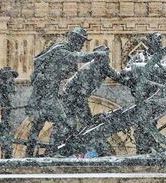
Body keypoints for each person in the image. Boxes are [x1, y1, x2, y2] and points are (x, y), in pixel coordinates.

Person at [26, 27, 108, 156]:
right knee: (62, 121)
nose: (81, 45)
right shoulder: (60, 49)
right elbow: (75, 57)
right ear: (75, 40)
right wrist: (94, 54)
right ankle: (53, 151)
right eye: (81, 41)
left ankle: (29, 153)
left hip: (44, 93)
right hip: (47, 94)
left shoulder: (60, 49)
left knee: (37, 124)